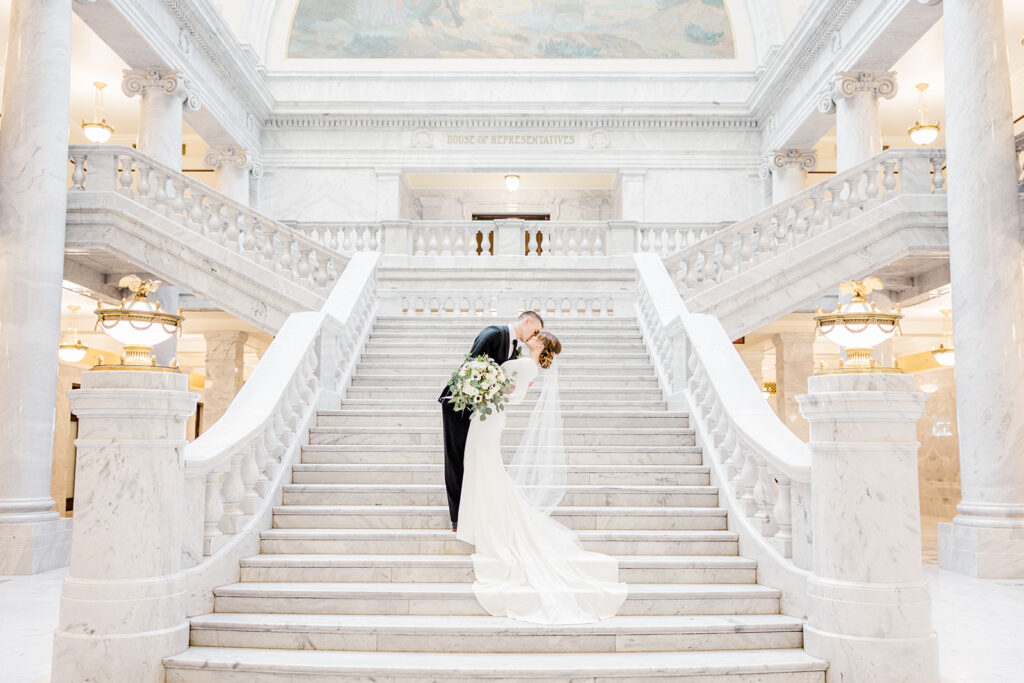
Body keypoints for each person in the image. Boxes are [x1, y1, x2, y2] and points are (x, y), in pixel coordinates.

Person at [456, 331, 628, 624]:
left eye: (537, 336)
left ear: (542, 345)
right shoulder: (524, 363)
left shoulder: (526, 366)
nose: (532, 336)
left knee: (487, 467)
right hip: (488, 415)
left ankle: (490, 524)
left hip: (492, 415)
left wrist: (489, 388)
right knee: (484, 467)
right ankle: (484, 519)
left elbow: (518, 396)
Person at [438, 311, 543, 532]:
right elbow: (469, 368)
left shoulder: (515, 348)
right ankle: (457, 518)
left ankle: (472, 511)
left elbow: (503, 379)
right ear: (526, 321)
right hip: (458, 403)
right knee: (456, 458)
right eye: (535, 331)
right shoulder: (493, 334)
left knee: (473, 458)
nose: (535, 336)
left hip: (481, 409)